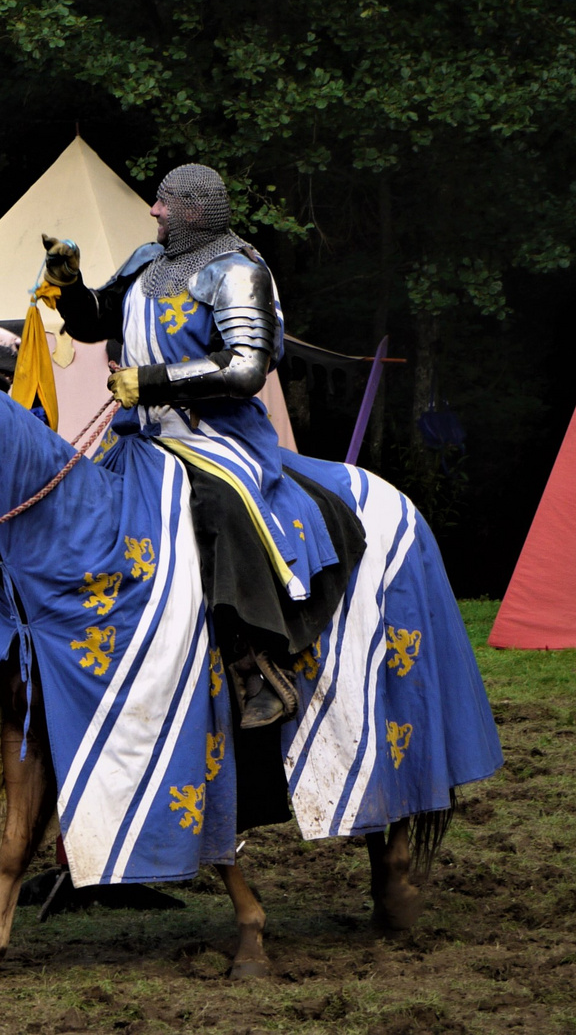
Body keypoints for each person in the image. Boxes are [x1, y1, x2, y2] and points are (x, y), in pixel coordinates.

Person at [48, 164, 363, 730]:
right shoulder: (147, 262)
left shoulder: (239, 272)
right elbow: (97, 323)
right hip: (143, 435)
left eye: (164, 202)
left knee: (214, 507)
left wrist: (151, 381)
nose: (153, 211)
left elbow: (247, 368)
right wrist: (70, 284)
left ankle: (255, 661)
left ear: (193, 208)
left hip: (217, 436)